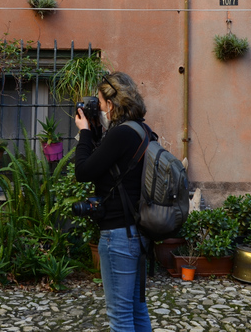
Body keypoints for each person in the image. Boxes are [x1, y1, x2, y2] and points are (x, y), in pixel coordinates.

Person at [74, 72, 152, 332]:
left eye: (99, 102)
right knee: (137, 311)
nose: (98, 108)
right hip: (139, 233)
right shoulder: (143, 131)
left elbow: (83, 171)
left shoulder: (120, 135)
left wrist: (85, 132)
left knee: (120, 317)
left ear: (111, 103)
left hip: (118, 235)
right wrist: (97, 132)